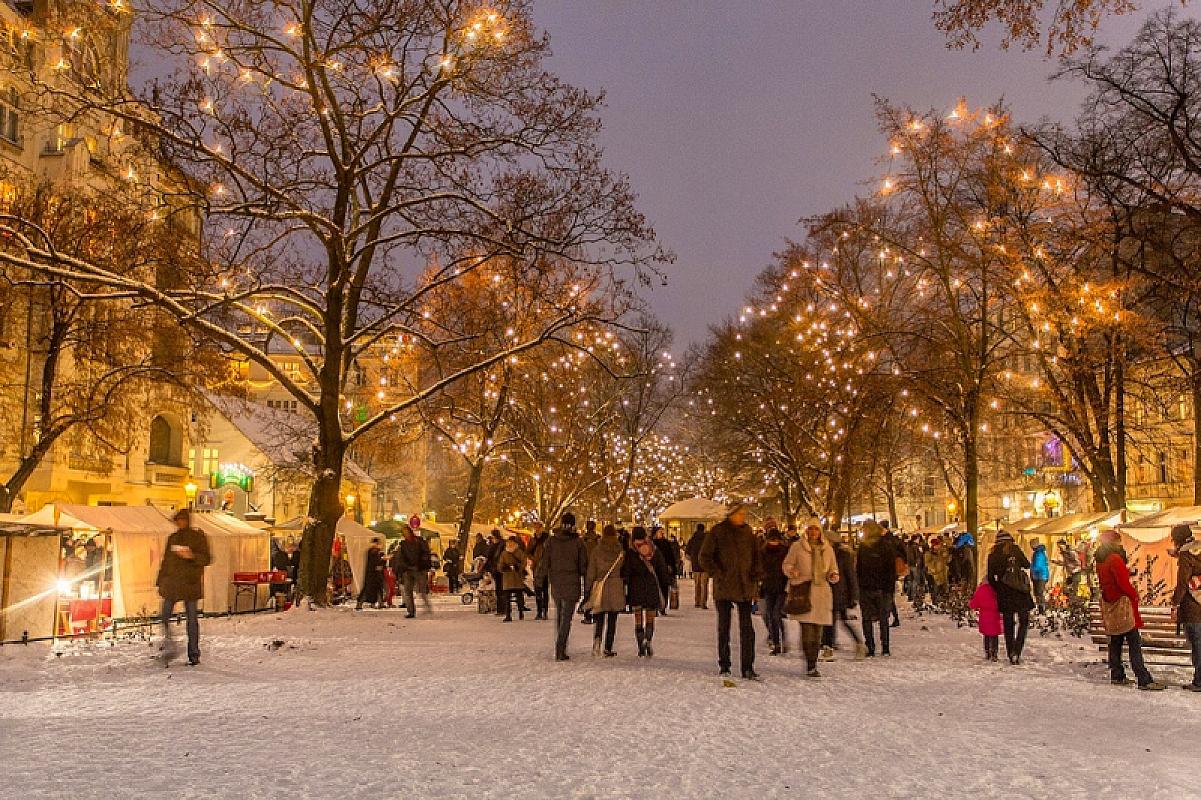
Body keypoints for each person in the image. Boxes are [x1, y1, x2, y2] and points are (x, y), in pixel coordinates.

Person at [1096, 529, 1165, 690]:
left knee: (1115, 641)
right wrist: (1134, 595)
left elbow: (1109, 580)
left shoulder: (1101, 560)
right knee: (1134, 642)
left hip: (1110, 602)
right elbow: (1123, 583)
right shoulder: (1114, 558)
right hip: (1122, 605)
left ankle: (1117, 674)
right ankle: (1143, 678)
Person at [699, 504, 762, 680]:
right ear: (731, 515)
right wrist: (718, 573)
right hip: (724, 585)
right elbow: (705, 556)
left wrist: (756, 574)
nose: (742, 517)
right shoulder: (718, 532)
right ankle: (724, 664)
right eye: (739, 514)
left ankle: (748, 666)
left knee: (747, 629)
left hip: (744, 585)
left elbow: (756, 556)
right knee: (724, 627)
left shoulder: (748, 532)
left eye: (744, 514)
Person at [784, 520, 840, 677]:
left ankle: (813, 661)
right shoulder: (797, 547)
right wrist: (792, 571)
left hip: (822, 593)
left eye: (816, 529)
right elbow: (786, 564)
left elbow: (833, 567)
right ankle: (810, 664)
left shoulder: (827, 549)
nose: (813, 532)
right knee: (808, 630)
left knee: (818, 632)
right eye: (810, 529)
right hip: (804, 592)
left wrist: (833, 574)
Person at [156, 509, 211, 666]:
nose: (180, 523)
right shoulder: (173, 538)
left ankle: (193, 653)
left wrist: (192, 556)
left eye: (182, 520)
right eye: (178, 520)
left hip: (190, 584)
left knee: (192, 620)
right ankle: (170, 646)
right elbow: (166, 561)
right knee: (165, 616)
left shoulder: (198, 537)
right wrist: (160, 580)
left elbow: (207, 558)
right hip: (173, 584)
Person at [537, 513, 589, 661]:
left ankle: (560, 646)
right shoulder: (578, 543)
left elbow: (544, 562)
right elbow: (583, 566)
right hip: (572, 582)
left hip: (556, 582)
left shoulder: (552, 541)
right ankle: (560, 648)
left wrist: (540, 580)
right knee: (566, 617)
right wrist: (587, 584)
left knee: (560, 615)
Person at [986, 531, 1035, 665]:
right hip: (1020, 591)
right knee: (1023, 621)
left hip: (1004, 592)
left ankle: (1010, 651)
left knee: (1008, 624)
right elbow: (1026, 564)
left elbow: (990, 577)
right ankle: (1017, 650)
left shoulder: (993, 555)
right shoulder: (1015, 550)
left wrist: (999, 588)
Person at [623, 527, 671, 657]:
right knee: (650, 617)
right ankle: (648, 639)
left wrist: (625, 585)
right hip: (651, 586)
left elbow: (626, 572)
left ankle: (640, 645)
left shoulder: (631, 552)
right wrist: (666, 583)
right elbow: (661, 569)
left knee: (638, 618)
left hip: (636, 588)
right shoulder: (654, 550)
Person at [822, 529, 866, 660]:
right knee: (828, 622)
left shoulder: (843, 555)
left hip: (840, 592)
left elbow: (850, 576)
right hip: (827, 592)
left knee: (842, 620)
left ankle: (859, 643)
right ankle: (828, 647)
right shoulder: (822, 554)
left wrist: (853, 595)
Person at [1168, 523, 1201, 692]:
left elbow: (1182, 583)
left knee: (1197, 644)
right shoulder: (1198, 548)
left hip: (1193, 608)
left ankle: (1199, 681)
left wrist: (1174, 603)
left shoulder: (1185, 554)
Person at [856, 521, 896, 658]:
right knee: (877, 619)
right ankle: (878, 646)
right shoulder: (876, 546)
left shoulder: (880, 546)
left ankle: (877, 646)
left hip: (877, 588)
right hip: (873, 587)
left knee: (876, 619)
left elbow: (890, 569)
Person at [586, 524, 625, 657]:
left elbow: (591, 571)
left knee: (599, 617)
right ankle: (608, 647)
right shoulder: (619, 550)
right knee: (612, 619)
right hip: (615, 586)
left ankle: (597, 641)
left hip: (600, 585)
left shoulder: (597, 550)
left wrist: (588, 588)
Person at [759, 522, 789, 656]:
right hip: (768, 587)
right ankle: (776, 642)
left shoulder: (785, 551)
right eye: (771, 540)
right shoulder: (763, 552)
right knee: (769, 615)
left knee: (776, 615)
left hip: (782, 588)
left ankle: (781, 641)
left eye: (775, 540)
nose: (773, 543)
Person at [496, 537, 528, 622]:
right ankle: (508, 615)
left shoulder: (519, 552)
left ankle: (521, 611)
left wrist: (518, 567)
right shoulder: (504, 553)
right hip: (507, 578)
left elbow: (524, 562)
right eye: (508, 542)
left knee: (519, 597)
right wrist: (504, 568)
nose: (510, 544)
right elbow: (499, 565)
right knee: (507, 598)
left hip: (517, 577)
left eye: (511, 542)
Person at [969, 580, 1002, 662]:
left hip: (984, 616)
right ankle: (994, 652)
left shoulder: (981, 589)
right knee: (994, 636)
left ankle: (987, 652)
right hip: (995, 615)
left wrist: (971, 605)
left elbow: (974, 603)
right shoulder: (996, 589)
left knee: (986, 635)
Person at [881, 520, 905, 627]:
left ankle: (888, 617)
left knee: (887, 596)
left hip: (886, 571)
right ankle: (893, 617)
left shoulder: (885, 541)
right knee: (889, 595)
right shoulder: (895, 540)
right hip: (892, 571)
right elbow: (903, 554)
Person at [652, 527, 679, 614]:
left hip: (665, 569)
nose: (662, 534)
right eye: (660, 532)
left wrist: (672, 568)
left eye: (662, 532)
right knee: (656, 588)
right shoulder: (652, 544)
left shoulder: (666, 543)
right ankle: (656, 607)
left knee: (664, 588)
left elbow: (671, 557)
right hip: (655, 569)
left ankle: (663, 607)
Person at [527, 522, 551, 621]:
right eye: (535, 528)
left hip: (546, 567)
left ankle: (545, 610)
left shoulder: (548, 539)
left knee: (545, 589)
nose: (536, 530)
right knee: (537, 589)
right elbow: (528, 551)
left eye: (538, 528)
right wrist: (533, 559)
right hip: (536, 566)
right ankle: (539, 611)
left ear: (542, 528)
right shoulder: (533, 540)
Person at [356, 538, 386, 610]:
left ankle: (380, 602)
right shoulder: (372, 551)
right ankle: (360, 603)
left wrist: (382, 561)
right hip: (371, 573)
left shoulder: (376, 552)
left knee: (378, 588)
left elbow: (379, 562)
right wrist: (382, 559)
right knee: (368, 589)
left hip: (376, 573)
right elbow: (375, 562)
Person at [686, 523, 710, 609]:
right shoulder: (707, 539)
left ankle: (697, 601)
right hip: (705, 565)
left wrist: (692, 559)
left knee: (697, 584)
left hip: (695, 565)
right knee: (704, 585)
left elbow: (687, 552)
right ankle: (703, 602)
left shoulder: (692, 539)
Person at [484, 530, 505, 616]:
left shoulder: (500, 545)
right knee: (499, 589)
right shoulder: (496, 545)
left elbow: (490, 557)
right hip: (496, 569)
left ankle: (502, 609)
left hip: (500, 569)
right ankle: (501, 609)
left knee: (501, 590)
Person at [924, 536, 951, 605]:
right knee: (935, 589)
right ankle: (935, 602)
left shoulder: (941, 552)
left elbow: (947, 560)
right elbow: (927, 563)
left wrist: (947, 555)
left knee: (944, 588)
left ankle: (943, 601)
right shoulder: (929, 553)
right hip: (934, 574)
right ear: (934, 545)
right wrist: (936, 565)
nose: (939, 546)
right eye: (937, 545)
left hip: (943, 573)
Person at [1030, 541, 1050, 614]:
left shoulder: (1038, 553)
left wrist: (1032, 571)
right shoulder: (1038, 553)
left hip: (1040, 576)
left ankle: (1042, 608)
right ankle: (1040, 608)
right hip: (1040, 575)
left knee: (1039, 592)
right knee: (1038, 593)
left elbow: (1038, 566)